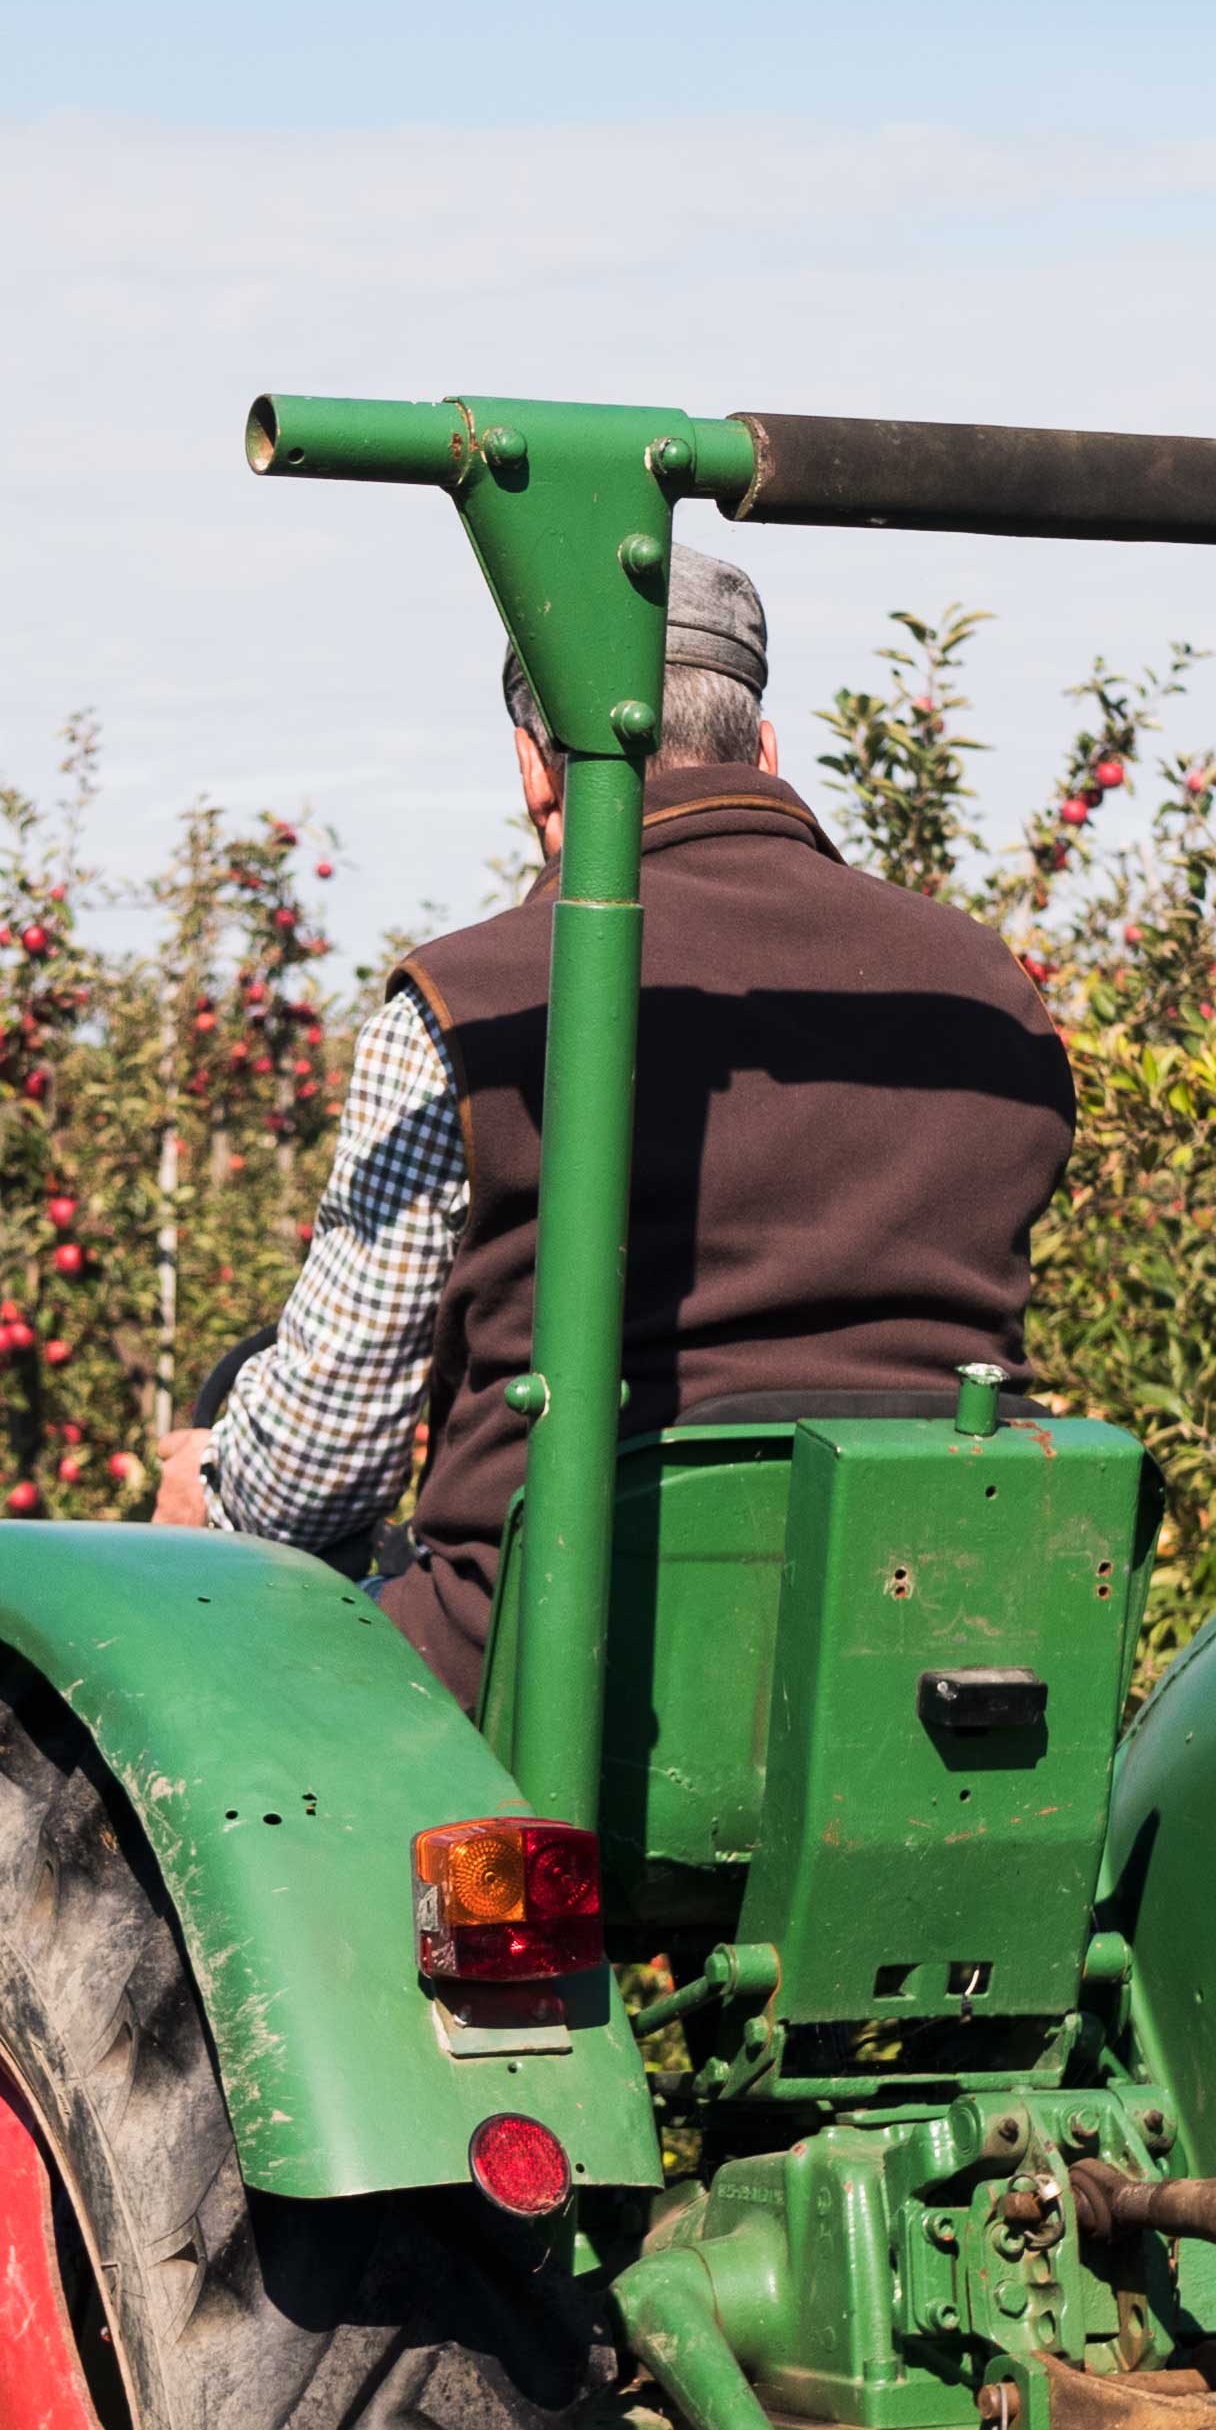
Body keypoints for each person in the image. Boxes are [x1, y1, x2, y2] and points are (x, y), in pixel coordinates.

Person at [153, 545, 1078, 1714]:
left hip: (548, 1682)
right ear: (767, 749)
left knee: (175, 1613)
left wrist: (216, 1484)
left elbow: (321, 1462)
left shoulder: (469, 1002)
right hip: (935, 1662)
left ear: (540, 772)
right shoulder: (988, 989)